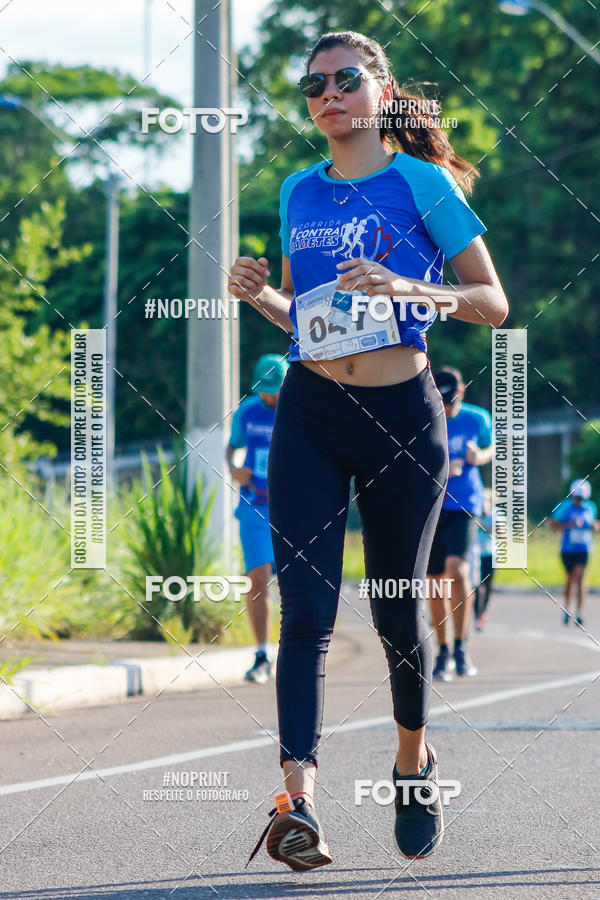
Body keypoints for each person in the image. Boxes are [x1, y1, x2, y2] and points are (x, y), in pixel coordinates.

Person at [228, 30, 508, 870]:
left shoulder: (420, 182)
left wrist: (408, 286)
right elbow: (307, 318)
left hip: (401, 418)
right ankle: (298, 802)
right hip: (311, 411)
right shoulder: (297, 190)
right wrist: (262, 296)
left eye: (345, 79)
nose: (328, 94)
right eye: (313, 85)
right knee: (306, 611)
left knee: (393, 610)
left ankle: (413, 765)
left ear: (382, 90)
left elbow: (491, 301)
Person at [426, 368, 494, 679]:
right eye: (442, 401)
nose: (447, 407)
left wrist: (479, 456)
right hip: (430, 507)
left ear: (462, 393)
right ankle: (443, 651)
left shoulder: (477, 418)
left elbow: (492, 448)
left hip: (465, 505)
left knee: (458, 570)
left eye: (451, 401)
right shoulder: (424, 417)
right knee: (434, 581)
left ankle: (461, 646)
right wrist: (440, 468)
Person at [226, 354, 288, 683]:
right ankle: (262, 654)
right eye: (265, 389)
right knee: (258, 577)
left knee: (293, 584)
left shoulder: (297, 409)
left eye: (274, 389)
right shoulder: (247, 411)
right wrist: (234, 469)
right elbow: (232, 447)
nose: (269, 395)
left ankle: (292, 652)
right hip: (254, 505)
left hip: (291, 507)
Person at [550, 479, 598, 628]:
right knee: (570, 579)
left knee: (581, 578)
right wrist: (570, 525)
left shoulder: (590, 507)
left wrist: (594, 527)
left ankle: (580, 612)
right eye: (576, 498)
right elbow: (553, 525)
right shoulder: (564, 507)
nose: (579, 501)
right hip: (567, 549)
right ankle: (567, 608)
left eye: (581, 498)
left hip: (584, 549)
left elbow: (594, 523)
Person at [474, 488, 495, 631]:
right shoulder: (473, 515)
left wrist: (482, 525)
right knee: (476, 586)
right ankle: (477, 614)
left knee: (487, 586)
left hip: (490, 555)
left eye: (486, 501)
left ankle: (483, 612)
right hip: (476, 554)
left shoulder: (496, 515)